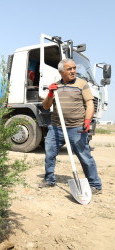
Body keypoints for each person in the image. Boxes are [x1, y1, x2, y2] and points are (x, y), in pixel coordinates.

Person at [40, 58, 102, 195]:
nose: (73, 71)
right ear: (61, 71)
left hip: (76, 128)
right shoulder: (55, 86)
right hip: (56, 127)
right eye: (69, 69)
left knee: (85, 156)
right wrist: (50, 93)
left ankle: (95, 184)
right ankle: (49, 179)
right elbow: (45, 106)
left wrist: (87, 121)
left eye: (74, 68)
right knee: (50, 153)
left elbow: (90, 104)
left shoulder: (82, 84)